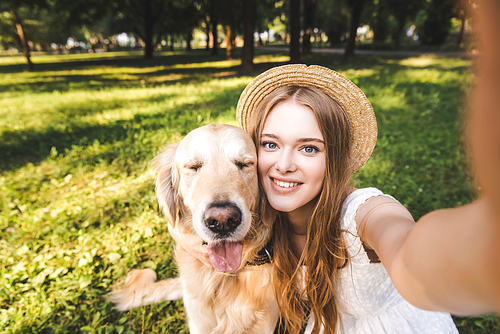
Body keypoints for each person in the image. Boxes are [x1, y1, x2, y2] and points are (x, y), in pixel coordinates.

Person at [167, 0, 500, 331]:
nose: (284, 165)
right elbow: (189, 219)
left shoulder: (361, 215)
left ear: (334, 158)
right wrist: (191, 238)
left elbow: (406, 249)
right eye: (270, 144)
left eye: (309, 148)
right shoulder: (267, 220)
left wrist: (461, 258)